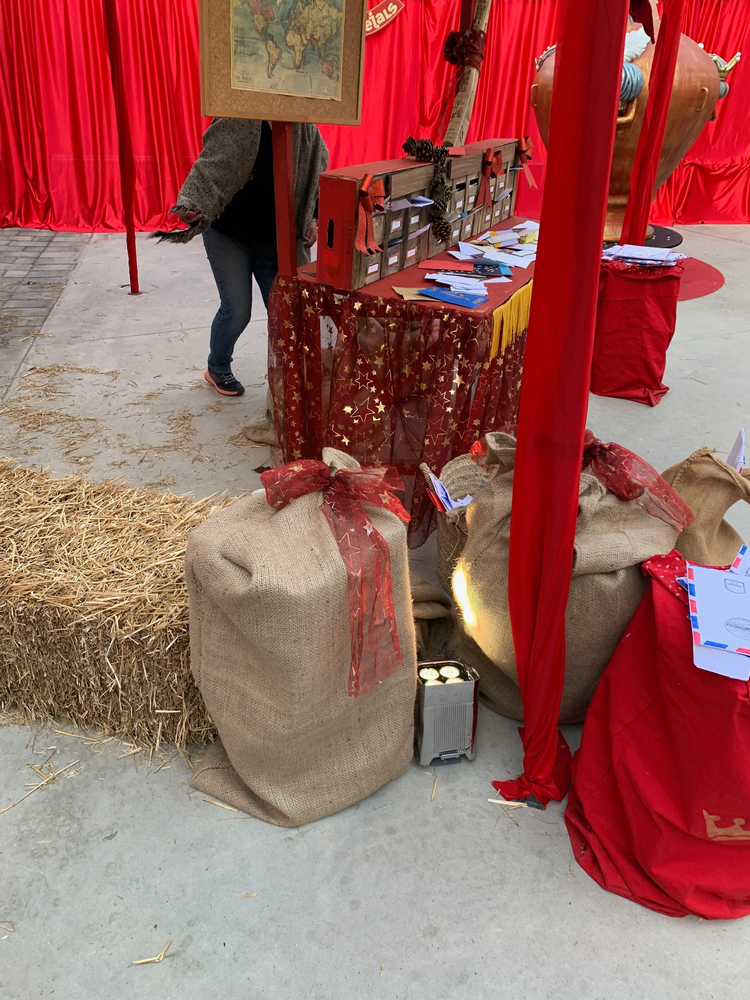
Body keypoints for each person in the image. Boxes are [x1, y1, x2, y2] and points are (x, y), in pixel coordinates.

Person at [155, 118, 329, 399]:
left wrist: (314, 218)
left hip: (274, 238)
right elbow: (209, 165)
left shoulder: (304, 128)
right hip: (229, 234)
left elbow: (316, 171)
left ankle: (288, 378)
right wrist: (191, 203)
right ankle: (217, 366)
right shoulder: (238, 118)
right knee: (237, 310)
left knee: (284, 313)